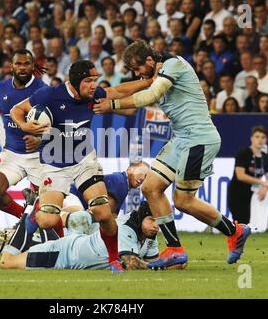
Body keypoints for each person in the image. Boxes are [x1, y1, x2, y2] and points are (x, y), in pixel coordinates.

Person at [93, 39, 251, 269]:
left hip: (199, 138)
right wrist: (98, 98)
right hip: (181, 139)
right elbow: (127, 97)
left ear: (150, 60)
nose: (137, 74)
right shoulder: (155, 73)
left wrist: (112, 105)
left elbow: (149, 96)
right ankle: (175, 249)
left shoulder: (173, 65)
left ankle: (234, 231)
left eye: (138, 68)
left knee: (183, 200)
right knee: (150, 187)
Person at [10, 59, 154, 272]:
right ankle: (32, 209)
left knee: (104, 214)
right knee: (48, 221)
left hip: (84, 160)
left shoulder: (93, 95)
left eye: (95, 80)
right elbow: (17, 110)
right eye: (88, 81)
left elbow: (118, 90)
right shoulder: (50, 95)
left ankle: (114, 259)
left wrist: (149, 81)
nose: (93, 85)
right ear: (75, 82)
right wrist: (24, 125)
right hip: (55, 163)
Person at [0, 165, 150, 261]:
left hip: (68, 236)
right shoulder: (119, 182)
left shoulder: (88, 190)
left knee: (2, 238)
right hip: (69, 231)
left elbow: (90, 216)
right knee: (1, 238)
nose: (142, 178)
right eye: (142, 172)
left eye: (147, 177)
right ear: (131, 167)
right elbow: (99, 214)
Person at [0, 49, 47, 219]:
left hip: (39, 156)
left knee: (47, 207)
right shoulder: (1, 88)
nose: (23, 68)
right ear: (11, 66)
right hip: (12, 153)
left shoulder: (43, 90)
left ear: (33, 66)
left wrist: (40, 139)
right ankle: (25, 219)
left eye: (27, 63)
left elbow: (57, 123)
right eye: (18, 63)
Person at [0, 202, 162, 271]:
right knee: (6, 262)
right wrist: (159, 267)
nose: (156, 225)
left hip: (75, 246)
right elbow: (131, 263)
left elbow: (154, 262)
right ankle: (29, 211)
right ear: (141, 217)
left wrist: (171, 263)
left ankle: (37, 222)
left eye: (158, 221)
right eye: (152, 220)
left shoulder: (149, 232)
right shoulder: (126, 227)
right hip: (63, 254)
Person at [228, 126, 268, 226]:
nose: (260, 140)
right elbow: (240, 175)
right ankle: (216, 228)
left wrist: (265, 187)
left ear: (266, 140)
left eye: (263, 137)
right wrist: (262, 182)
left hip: (254, 191)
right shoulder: (243, 153)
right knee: (242, 225)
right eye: (257, 137)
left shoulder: (265, 157)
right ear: (252, 138)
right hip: (239, 193)